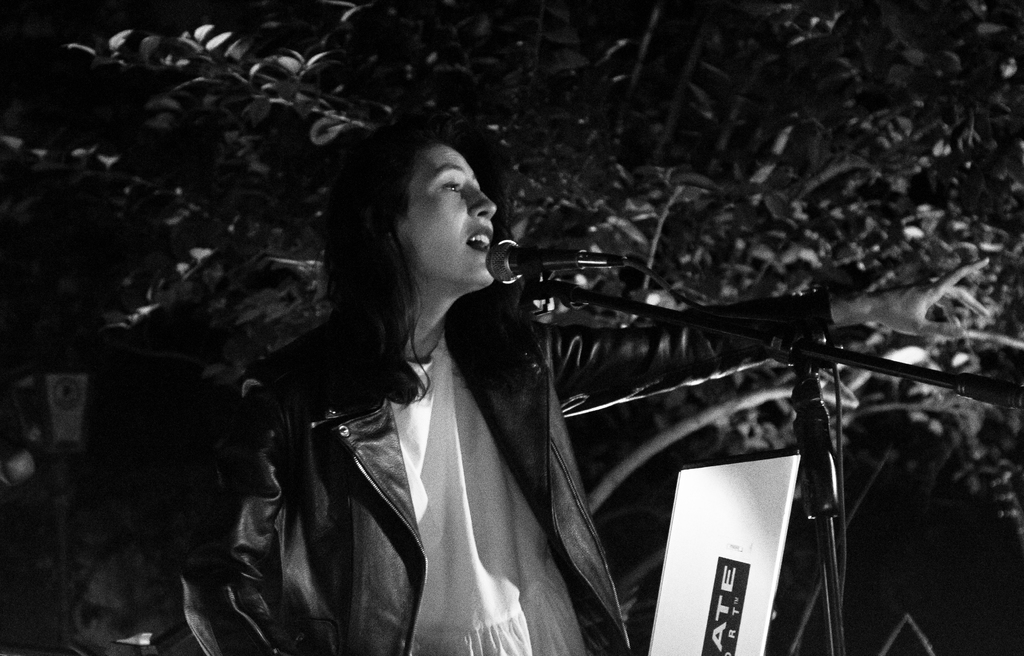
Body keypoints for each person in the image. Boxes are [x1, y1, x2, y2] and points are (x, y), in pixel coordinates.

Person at [181, 113, 988, 656]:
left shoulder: (514, 366)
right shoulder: (295, 396)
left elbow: (682, 344)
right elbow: (219, 578)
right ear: (385, 223)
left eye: (484, 190)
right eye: (453, 187)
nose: (487, 204)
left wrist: (855, 309)